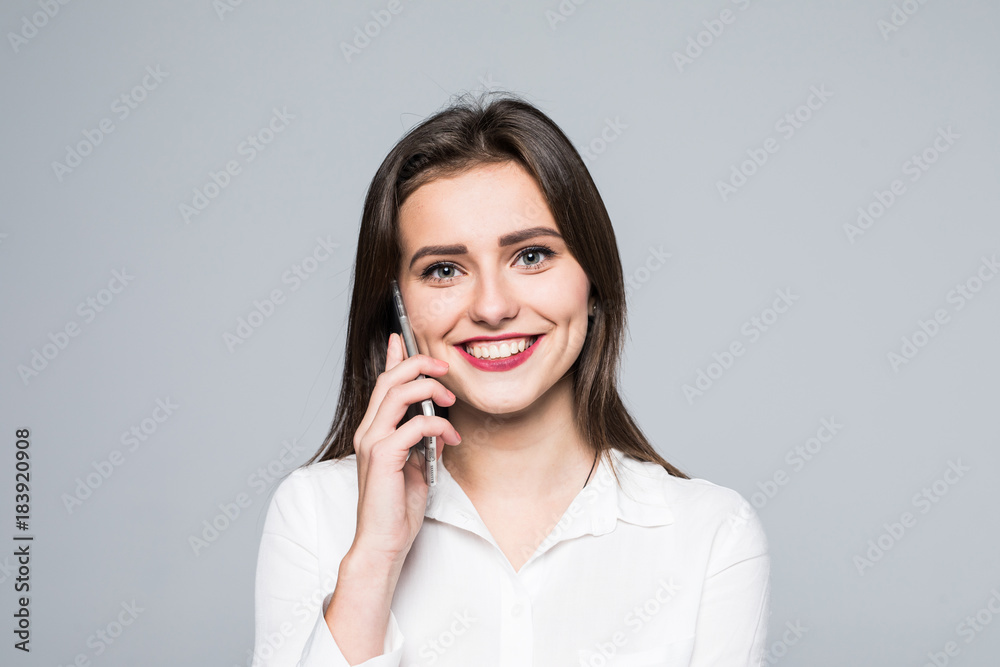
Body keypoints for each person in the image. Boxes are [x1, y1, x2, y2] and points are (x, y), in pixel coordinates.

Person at [252, 91, 770, 666]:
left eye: (531, 257)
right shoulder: (315, 514)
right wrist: (374, 558)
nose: (493, 307)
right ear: (397, 307)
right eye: (444, 270)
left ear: (592, 282)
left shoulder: (710, 535)